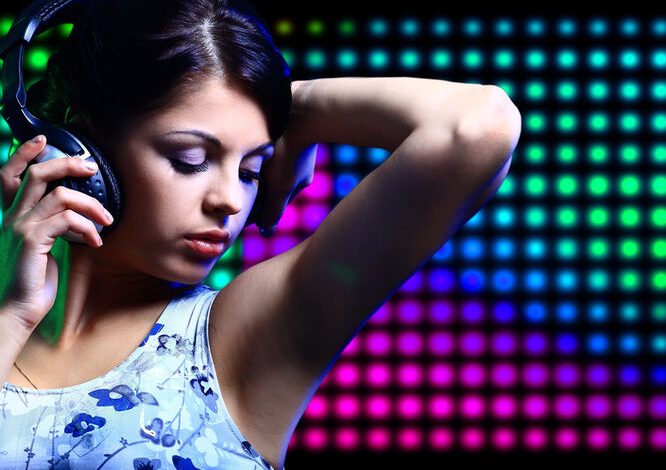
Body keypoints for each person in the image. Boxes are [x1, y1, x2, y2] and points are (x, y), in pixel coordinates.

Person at [0, 0, 521, 468]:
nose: (230, 199)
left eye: (252, 170)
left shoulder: (245, 338)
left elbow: (477, 127)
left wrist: (292, 104)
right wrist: (13, 315)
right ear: (76, 153)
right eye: (191, 160)